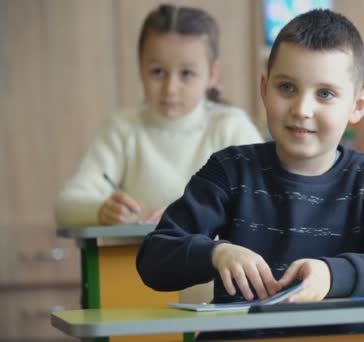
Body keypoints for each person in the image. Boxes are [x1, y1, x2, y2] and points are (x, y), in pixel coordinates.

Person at [136, 9, 364, 339]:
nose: (301, 109)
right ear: (265, 88)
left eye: (325, 94)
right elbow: (154, 258)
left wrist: (332, 276)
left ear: (358, 105)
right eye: (287, 87)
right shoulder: (229, 170)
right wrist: (218, 252)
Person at [55, 4, 263, 304]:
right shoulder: (123, 128)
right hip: (137, 293)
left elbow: (262, 204)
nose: (170, 88)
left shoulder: (231, 127)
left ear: (212, 74)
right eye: (157, 72)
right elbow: (66, 205)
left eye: (187, 73)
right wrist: (101, 210)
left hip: (220, 298)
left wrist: (186, 214)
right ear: (140, 67)